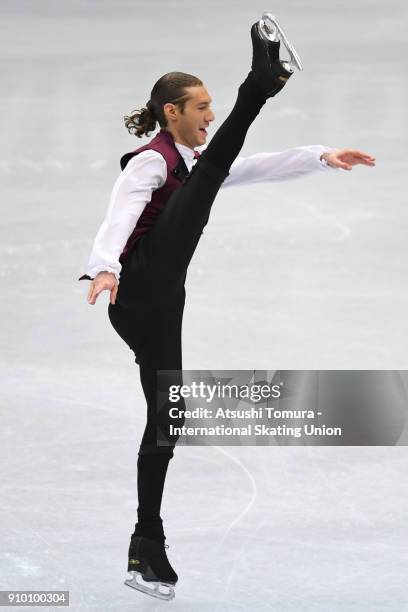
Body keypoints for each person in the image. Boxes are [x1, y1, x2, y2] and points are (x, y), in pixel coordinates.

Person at [79, 19, 375, 600]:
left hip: (164, 303)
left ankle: (147, 546)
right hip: (138, 286)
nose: (207, 116)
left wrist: (320, 155)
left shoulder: (191, 167)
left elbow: (246, 168)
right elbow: (119, 213)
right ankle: (260, 81)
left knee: (170, 418)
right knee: (211, 171)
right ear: (171, 113)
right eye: (202, 106)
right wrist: (104, 265)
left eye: (214, 106)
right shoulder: (152, 160)